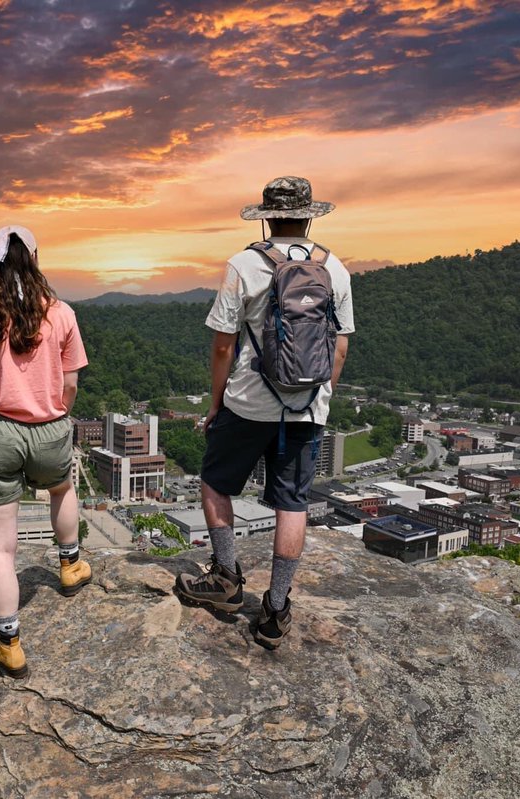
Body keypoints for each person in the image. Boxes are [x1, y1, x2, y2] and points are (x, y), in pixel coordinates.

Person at [174, 176, 354, 649]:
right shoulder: (335, 268)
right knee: (291, 502)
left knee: (215, 482)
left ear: (268, 217)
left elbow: (222, 344)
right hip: (308, 406)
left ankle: (227, 579)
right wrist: (320, 398)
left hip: (249, 401)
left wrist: (216, 404)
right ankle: (275, 609)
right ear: (310, 215)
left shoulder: (244, 265)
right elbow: (339, 348)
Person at [0, 225, 91, 679]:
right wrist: (58, 415)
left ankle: (8, 642)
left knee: (0, 549)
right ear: (35, 258)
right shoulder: (62, 314)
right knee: (61, 487)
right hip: (49, 427)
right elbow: (70, 383)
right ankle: (70, 566)